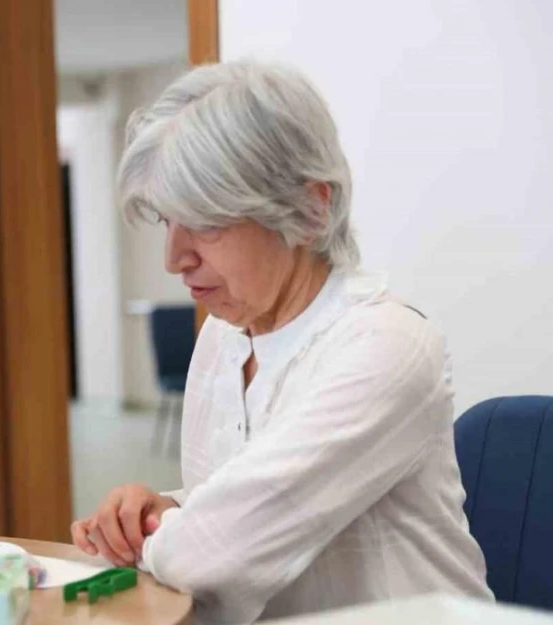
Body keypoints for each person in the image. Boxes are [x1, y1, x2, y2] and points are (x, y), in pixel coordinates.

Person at [71, 62, 492, 624]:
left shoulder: (388, 348)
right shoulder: (223, 337)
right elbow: (231, 513)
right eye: (169, 220)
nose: (175, 258)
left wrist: (189, 534)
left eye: (205, 220)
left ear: (311, 208)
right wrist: (168, 508)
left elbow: (212, 558)